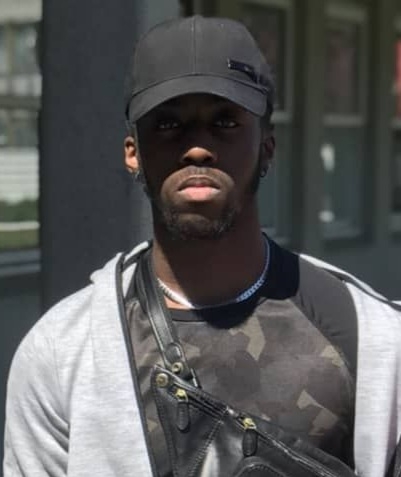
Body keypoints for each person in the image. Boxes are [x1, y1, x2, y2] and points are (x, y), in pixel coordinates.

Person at [3, 15, 401, 477]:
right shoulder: (61, 352)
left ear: (267, 148)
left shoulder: (371, 337)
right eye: (169, 123)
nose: (197, 147)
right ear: (133, 152)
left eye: (225, 121)